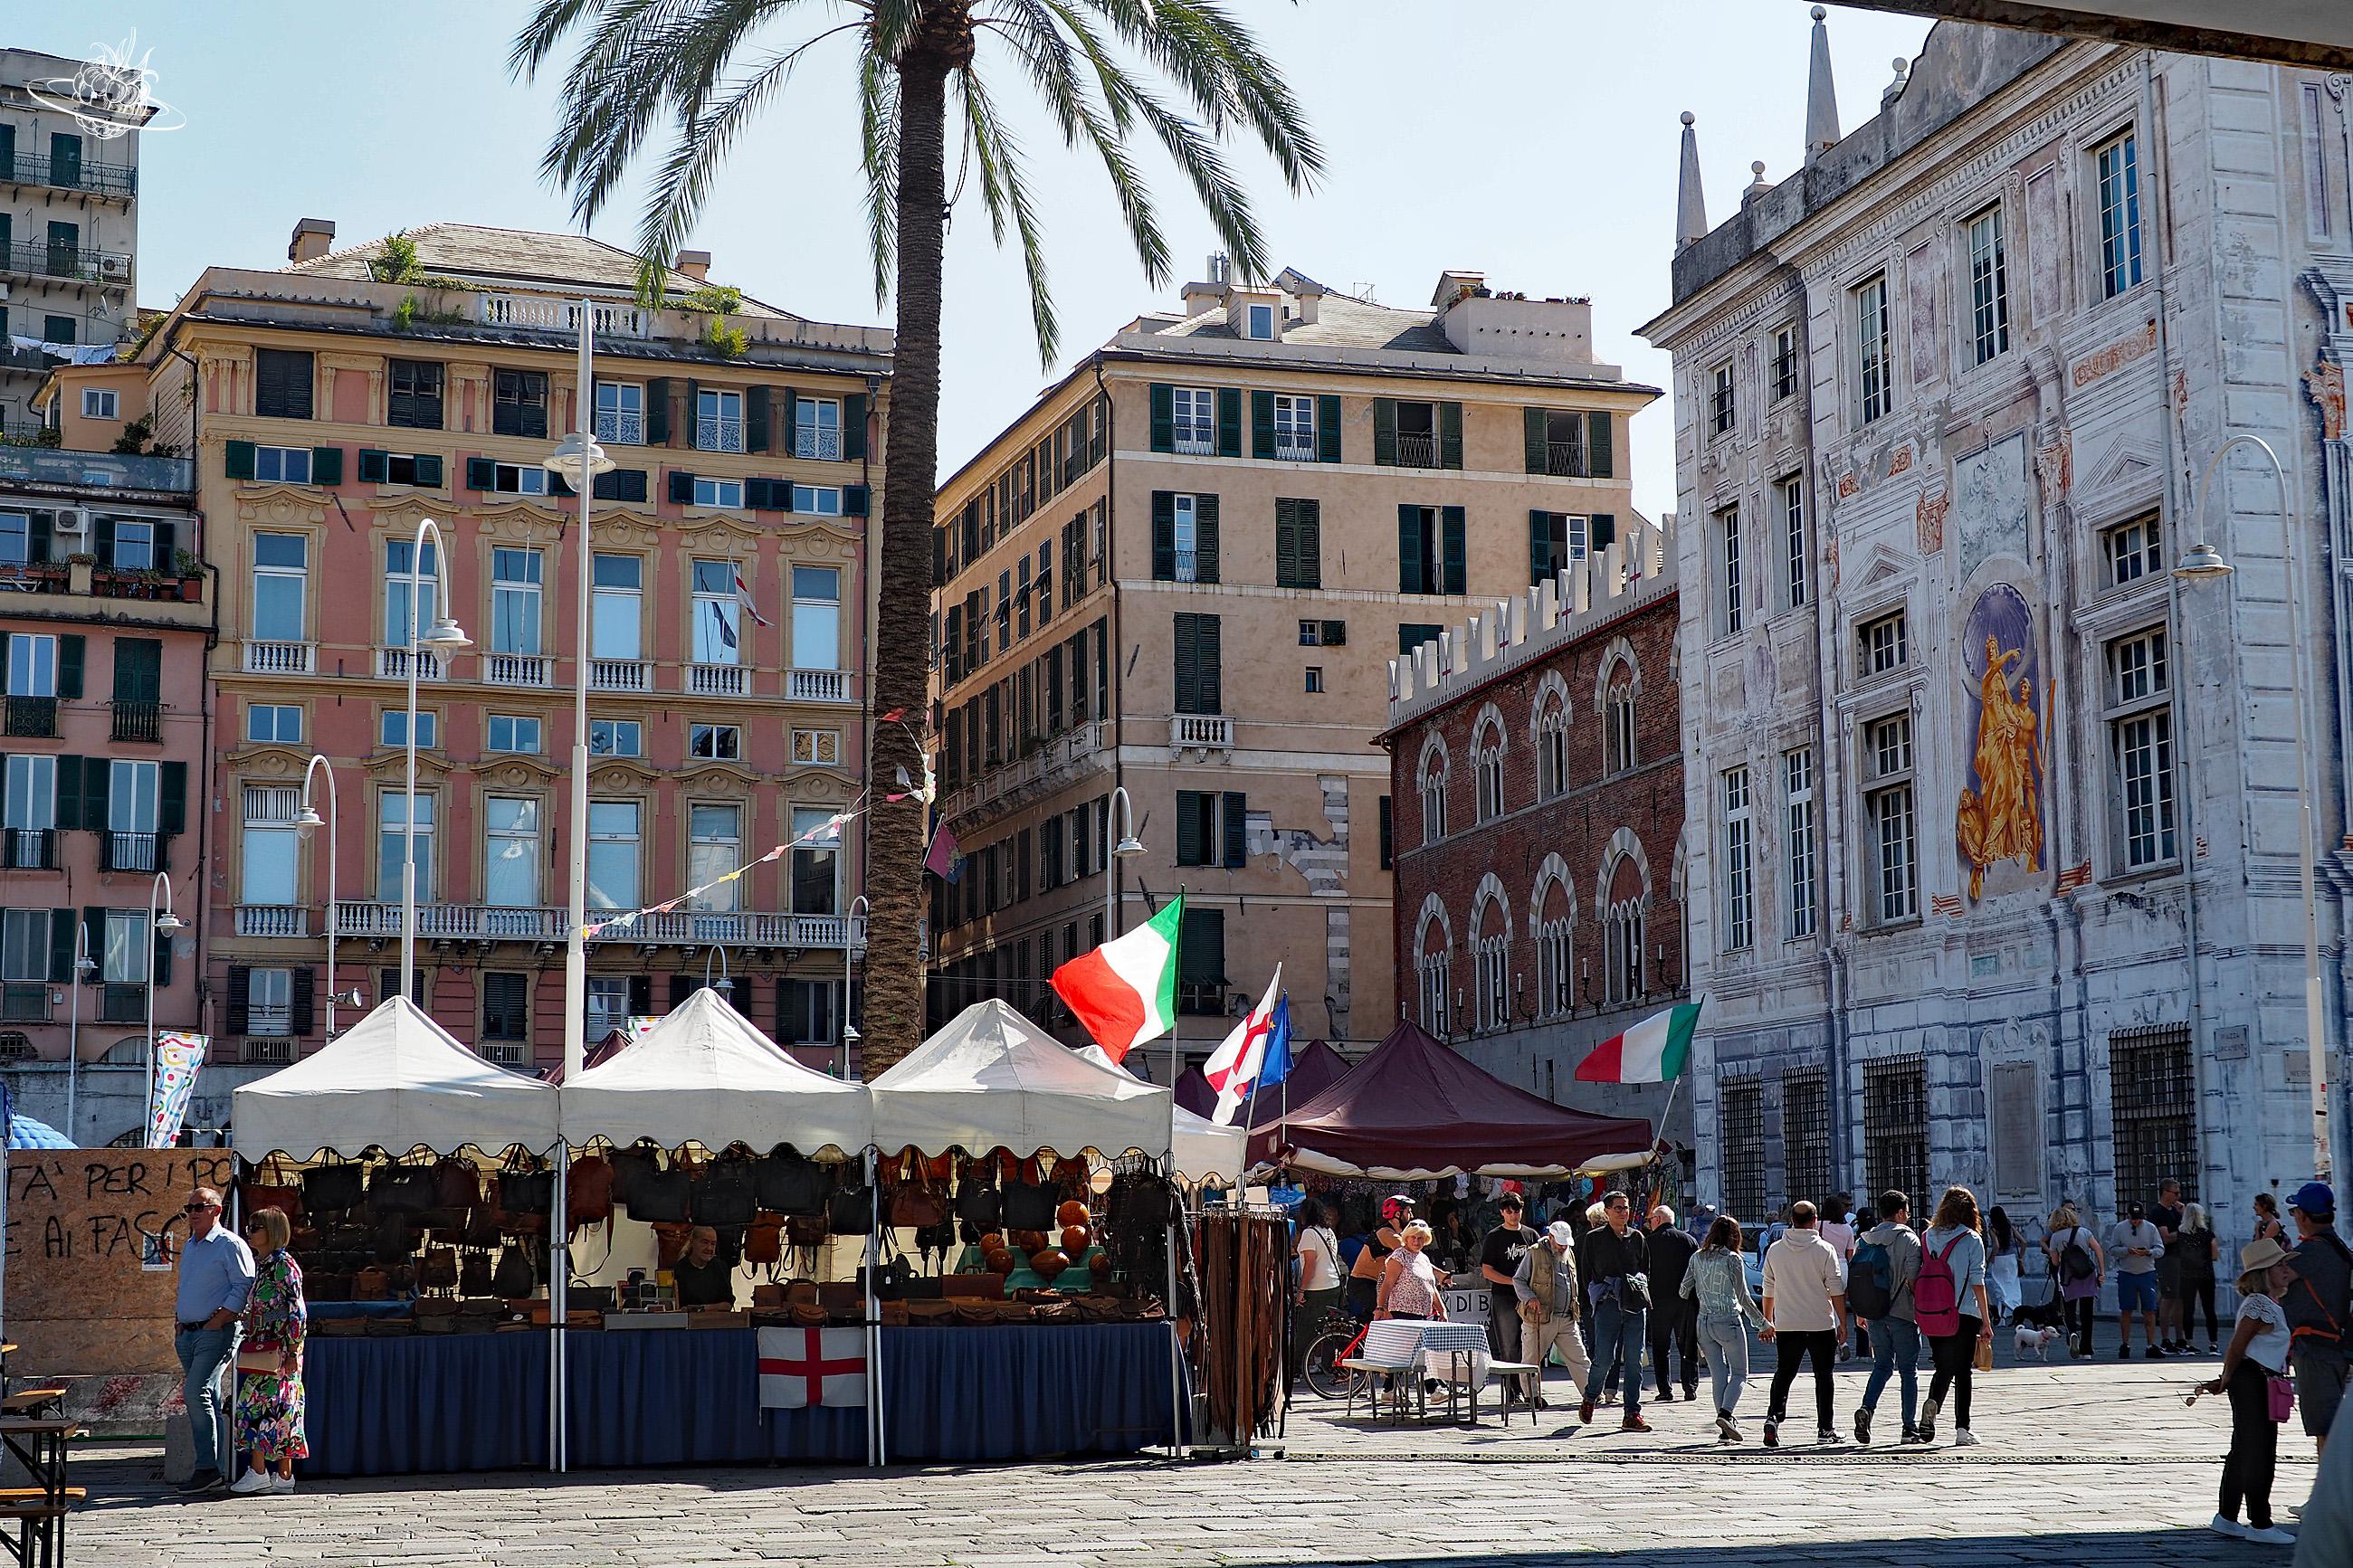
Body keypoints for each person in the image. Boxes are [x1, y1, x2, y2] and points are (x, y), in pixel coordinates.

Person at [2197, 1238, 2301, 1545]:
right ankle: (2260, 1522)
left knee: (2244, 1448)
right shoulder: (2259, 1304)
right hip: (2252, 1378)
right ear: (2264, 1272)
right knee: (2259, 1451)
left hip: (2258, 1378)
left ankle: (2228, 1517)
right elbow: (2237, 1345)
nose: (2286, 1269)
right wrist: (2225, 1378)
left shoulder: (2270, 1303)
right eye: (2280, 1265)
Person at [172, 1186, 256, 1496]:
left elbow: (244, 1284)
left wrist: (220, 1319)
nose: (192, 1212)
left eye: (199, 1207)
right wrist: (179, 1320)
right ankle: (214, 1467)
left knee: (196, 1393)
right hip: (189, 1333)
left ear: (216, 1210)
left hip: (215, 1332)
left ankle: (207, 1468)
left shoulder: (229, 1244)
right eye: (188, 1207)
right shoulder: (191, 1245)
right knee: (205, 1396)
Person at [229, 1208, 307, 1495]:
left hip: (278, 1350)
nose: (249, 1232)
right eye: (249, 1227)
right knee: (281, 1409)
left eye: (256, 1227)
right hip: (266, 1346)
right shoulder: (264, 1264)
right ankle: (283, 1476)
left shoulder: (283, 1264)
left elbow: (298, 1310)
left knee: (257, 1407)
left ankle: (260, 1471)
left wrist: (293, 1351)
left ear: (272, 1230)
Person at [1759, 1199, 1848, 1448]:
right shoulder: (1824, 1249)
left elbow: (1769, 1288)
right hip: (1820, 1322)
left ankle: (1773, 1419)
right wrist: (1843, 1323)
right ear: (1815, 1220)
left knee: (1784, 1373)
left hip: (1787, 1322)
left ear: (1792, 1221)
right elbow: (1836, 1289)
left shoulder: (1775, 1250)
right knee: (1823, 1376)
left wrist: (1768, 1321)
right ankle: (1825, 1428)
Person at [1916, 1185, 1993, 1447]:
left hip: (1932, 1311)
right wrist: (1986, 1318)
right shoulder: (1971, 1239)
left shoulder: (1927, 1236)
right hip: (1964, 1311)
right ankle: (1963, 1428)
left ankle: (1932, 1406)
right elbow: (1977, 1282)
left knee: (1943, 1366)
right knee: (1962, 1371)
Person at [1851, 1189, 1924, 1446]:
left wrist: (1860, 1312)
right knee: (1908, 1371)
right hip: (1902, 1312)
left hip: (1873, 1312)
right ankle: (1908, 1428)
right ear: (1901, 1212)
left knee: (1882, 1365)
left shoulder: (1865, 1240)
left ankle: (1867, 1408)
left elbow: (1858, 1279)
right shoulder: (1910, 1240)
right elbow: (1913, 1279)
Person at [2282, 1182, 2348, 1467]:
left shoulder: (2308, 1252)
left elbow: (2271, 1282)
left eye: (2295, 1211)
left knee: (2325, 1428)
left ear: (2303, 1216)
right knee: (2331, 1425)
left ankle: (2327, 1499)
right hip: (2336, 1346)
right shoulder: (2339, 1247)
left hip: (2316, 1348)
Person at [1681, 1213, 1763, 1442]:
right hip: (1728, 1320)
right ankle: (1726, 1414)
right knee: (1739, 1373)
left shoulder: (1697, 1257)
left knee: (1718, 1374)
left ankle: (1724, 1427)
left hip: (1703, 1322)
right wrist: (1762, 1324)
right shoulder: (1732, 1259)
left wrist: (1702, 1290)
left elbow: (1683, 1289)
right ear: (1734, 1236)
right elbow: (1744, 1298)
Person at [1576, 1190, 1652, 1432]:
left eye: (1626, 1207)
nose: (1623, 1212)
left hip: (1633, 1304)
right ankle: (1590, 1396)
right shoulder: (1594, 1238)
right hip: (1607, 1303)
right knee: (1604, 1358)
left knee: (1634, 1360)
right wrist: (1592, 1302)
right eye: (1618, 1208)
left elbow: (1645, 1269)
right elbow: (1585, 1272)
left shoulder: (1637, 1237)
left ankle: (1632, 1412)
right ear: (1606, 1211)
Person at [1511, 1220, 1590, 1411]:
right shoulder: (1535, 1252)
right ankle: (1533, 1396)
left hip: (1566, 1317)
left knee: (1579, 1357)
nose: (1563, 1246)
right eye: (1560, 1242)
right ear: (1551, 1237)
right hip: (1540, 1317)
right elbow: (1518, 1279)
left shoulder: (1568, 1252)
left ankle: (1590, 1394)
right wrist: (1529, 1297)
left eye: (1566, 1243)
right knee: (1532, 1359)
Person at [1645, 1205, 1699, 1401]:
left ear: (1658, 1220)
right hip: (1685, 1301)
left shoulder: (1649, 1243)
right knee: (1687, 1344)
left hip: (1658, 1302)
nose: (1650, 1223)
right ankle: (1690, 1387)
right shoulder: (1689, 1240)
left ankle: (1665, 1390)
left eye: (1651, 1219)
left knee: (1661, 1347)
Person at [1478, 1193, 1538, 1363]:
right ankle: (1512, 1387)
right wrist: (1514, 1282)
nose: (1513, 1216)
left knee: (1531, 1343)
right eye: (1509, 1212)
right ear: (1502, 1212)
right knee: (1509, 1344)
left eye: (1516, 1211)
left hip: (1530, 1296)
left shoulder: (1531, 1235)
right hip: (1504, 1296)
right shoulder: (1494, 1237)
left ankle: (1528, 1385)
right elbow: (1487, 1271)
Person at [2106, 1202, 2167, 1358]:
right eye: (2134, 1220)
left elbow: (2160, 1249)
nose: (2136, 1222)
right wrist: (2127, 1251)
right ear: (2129, 1217)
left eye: (2139, 1220)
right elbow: (2112, 1249)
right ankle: (2125, 1344)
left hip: (2147, 1272)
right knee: (2126, 1309)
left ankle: (2151, 1344)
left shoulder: (2151, 1228)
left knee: (2150, 1310)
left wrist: (2149, 1252)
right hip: (2127, 1273)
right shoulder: (2120, 1228)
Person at [2046, 1202, 2105, 1357]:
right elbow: (2098, 1250)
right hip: (2087, 1274)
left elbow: (2055, 1262)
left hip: (2068, 1277)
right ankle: (2087, 1349)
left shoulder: (2055, 1237)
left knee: (2069, 1310)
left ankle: (2072, 1332)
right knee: (2087, 1312)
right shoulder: (2085, 1232)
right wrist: (2102, 1272)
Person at [1293, 1198, 1346, 1360]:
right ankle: (1328, 1364)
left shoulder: (1309, 1233)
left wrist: (1301, 1290)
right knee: (1330, 1329)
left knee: (1306, 1329)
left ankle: (1295, 1367)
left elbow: (1310, 1265)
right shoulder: (1329, 1231)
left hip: (1317, 1288)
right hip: (1334, 1284)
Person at [1375, 1221, 1446, 1321]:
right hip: (1401, 1314)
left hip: (1423, 1314)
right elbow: (1387, 1284)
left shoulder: (1424, 1258)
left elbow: (1431, 1288)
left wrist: (1442, 1311)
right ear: (1406, 1238)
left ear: (1425, 1239)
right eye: (1413, 1237)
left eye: (1420, 1238)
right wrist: (1380, 1308)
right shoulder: (1399, 1256)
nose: (1416, 1242)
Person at [2176, 1202, 2222, 1355]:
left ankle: (2189, 1343)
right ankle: (2213, 1344)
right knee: (2209, 1309)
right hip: (2206, 1273)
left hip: (2187, 1274)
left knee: (2188, 1309)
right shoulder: (2208, 1234)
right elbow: (2215, 1255)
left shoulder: (2181, 1234)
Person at [1347, 1202, 1404, 1320]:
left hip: (1376, 1283)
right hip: (1363, 1283)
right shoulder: (1388, 1234)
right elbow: (1412, 1257)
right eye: (1409, 1212)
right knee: (1386, 1315)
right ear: (1398, 1214)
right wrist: (1439, 1274)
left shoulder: (1398, 1234)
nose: (1412, 1215)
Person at [2151, 1178, 2187, 1354]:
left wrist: (2184, 1215)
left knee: (2180, 1298)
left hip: (2179, 1258)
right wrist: (2184, 1229)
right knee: (2168, 1298)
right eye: (2175, 1192)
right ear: (2165, 1192)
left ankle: (2181, 1338)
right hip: (2167, 1259)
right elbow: (2165, 1237)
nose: (2178, 1196)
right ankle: (2165, 1339)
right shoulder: (2158, 1212)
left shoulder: (2175, 1211)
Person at [672, 1226, 737, 1308]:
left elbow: (728, 1304)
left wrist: (702, 1309)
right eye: (705, 1242)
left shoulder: (720, 1267)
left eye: (713, 1244)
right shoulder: (679, 1269)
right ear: (692, 1242)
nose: (709, 1248)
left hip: (716, 1320)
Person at [1986, 1206, 2023, 1325]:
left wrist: (1990, 1258)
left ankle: (2002, 1317)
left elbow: (1995, 1245)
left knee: (2000, 1287)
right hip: (2011, 1258)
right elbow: (2024, 1242)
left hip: (1999, 1259)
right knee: (2012, 1286)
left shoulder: (1992, 1229)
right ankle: (2016, 1310)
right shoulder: (2010, 1227)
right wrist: (2020, 1257)